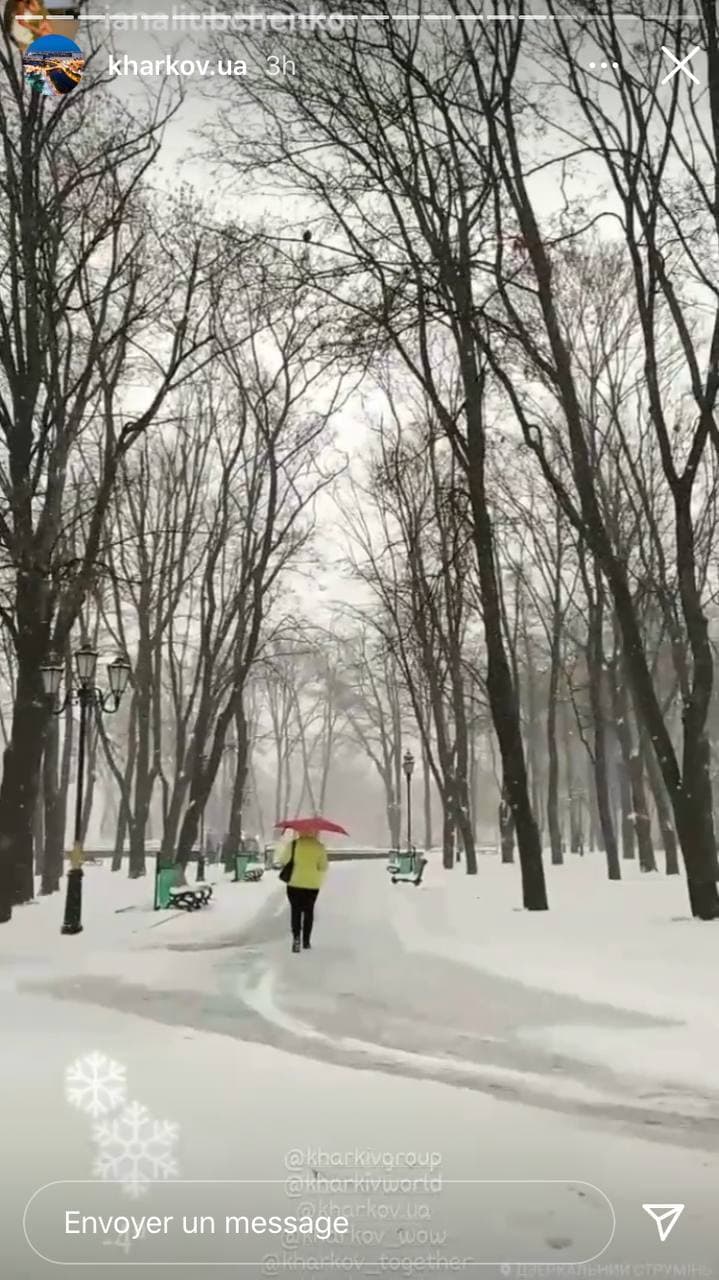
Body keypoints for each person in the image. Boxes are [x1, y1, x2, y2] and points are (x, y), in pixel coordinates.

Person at [279, 832, 328, 953]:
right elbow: (323, 867)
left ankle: (296, 938)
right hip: (312, 885)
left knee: (295, 910)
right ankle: (306, 941)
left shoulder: (294, 844)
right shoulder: (319, 847)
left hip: (294, 884)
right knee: (308, 911)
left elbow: (283, 860)